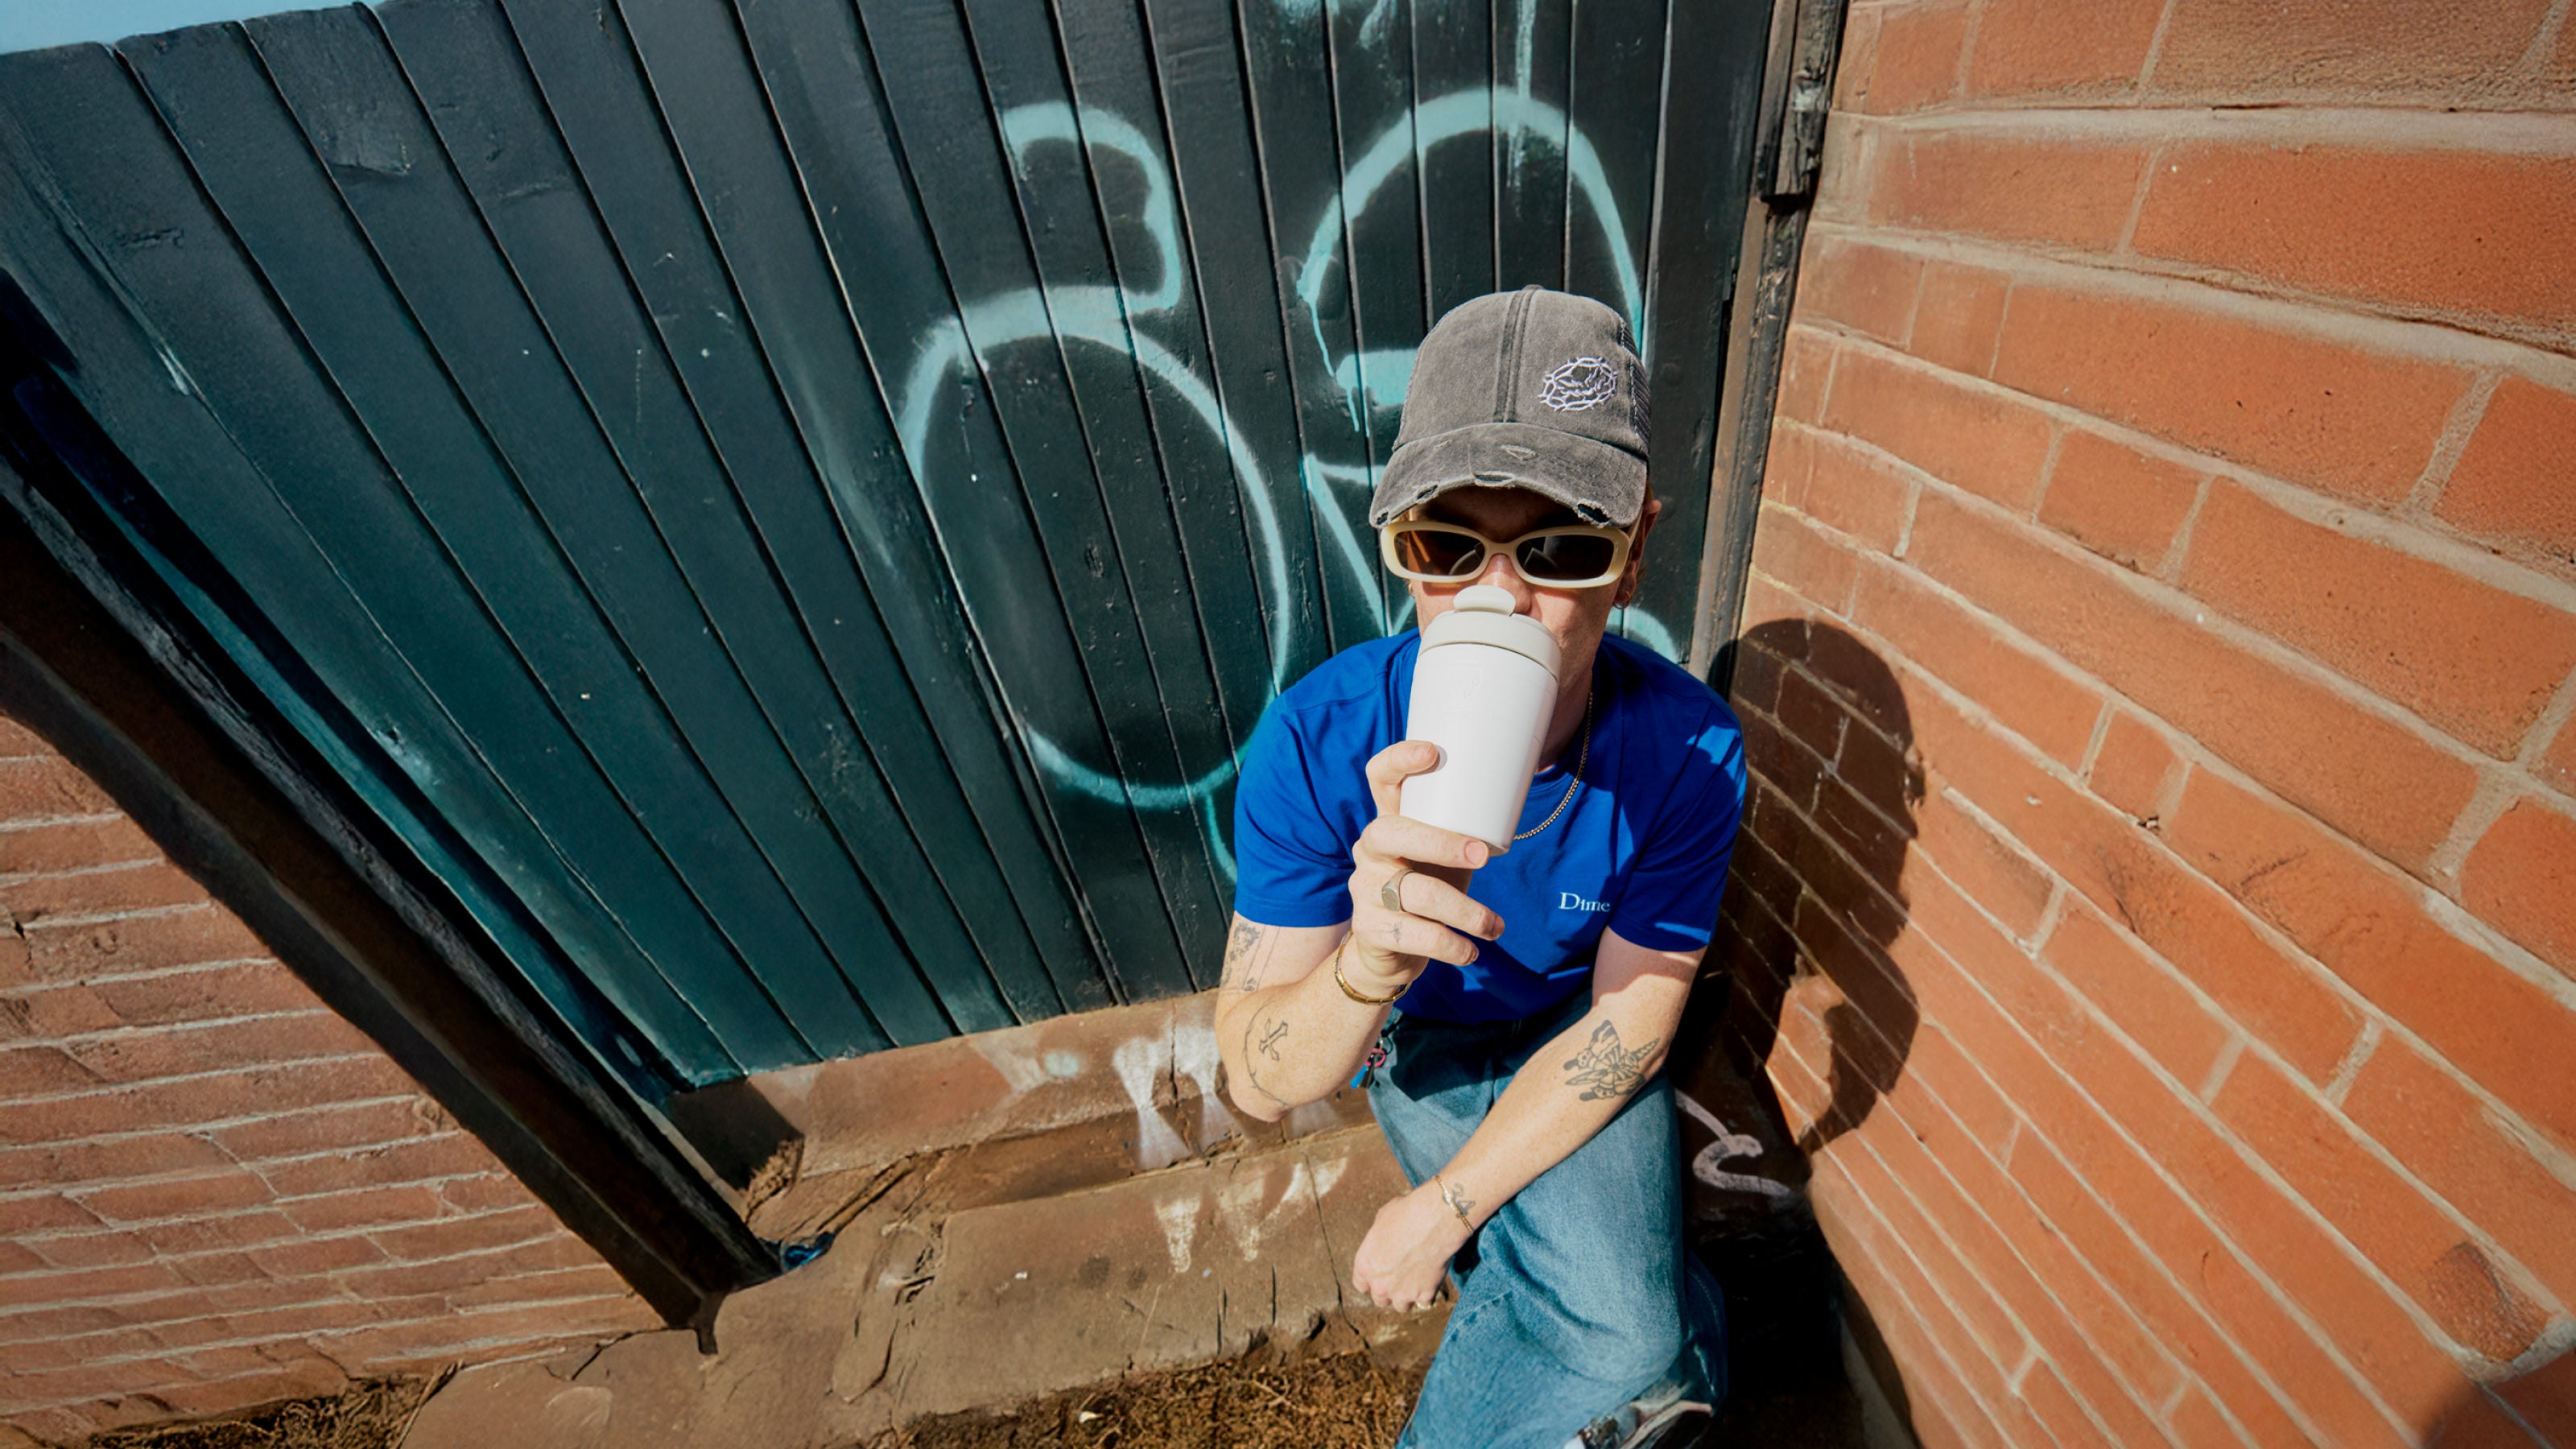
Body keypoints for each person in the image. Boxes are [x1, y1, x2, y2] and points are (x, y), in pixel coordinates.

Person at [1214, 287, 1747, 1449]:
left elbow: (1635, 1021)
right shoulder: (1318, 741)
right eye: (1448, 545)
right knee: (1621, 1319)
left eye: (1562, 546)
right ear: (1402, 558)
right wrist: (1366, 964)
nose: (1501, 594)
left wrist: (1438, 1210)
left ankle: (1653, 1367)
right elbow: (1259, 1082)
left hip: (1569, 1022)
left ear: (1636, 553)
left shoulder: (1690, 750)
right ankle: (1672, 1364)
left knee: (1598, 1312)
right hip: (1425, 1035)